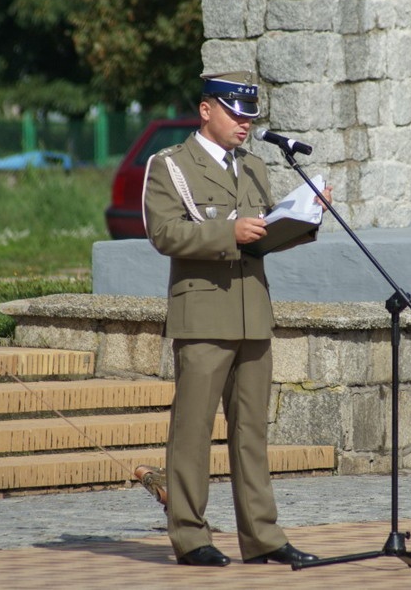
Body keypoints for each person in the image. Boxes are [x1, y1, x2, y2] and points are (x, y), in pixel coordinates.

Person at [142, 70, 330, 566]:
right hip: (203, 315)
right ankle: (190, 536)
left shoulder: (253, 169)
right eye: (235, 112)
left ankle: (263, 537)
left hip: (252, 313)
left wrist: (306, 219)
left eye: (250, 114)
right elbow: (164, 233)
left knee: (252, 432)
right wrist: (229, 233)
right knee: (193, 430)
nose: (245, 123)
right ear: (207, 110)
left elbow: (263, 236)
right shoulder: (170, 166)